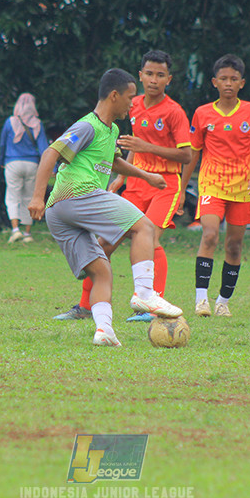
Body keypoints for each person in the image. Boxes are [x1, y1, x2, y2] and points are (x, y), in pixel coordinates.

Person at [28, 68, 183, 347]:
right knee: (144, 226)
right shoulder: (88, 126)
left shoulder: (110, 130)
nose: (133, 103)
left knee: (101, 270)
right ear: (114, 96)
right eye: (130, 97)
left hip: (59, 213)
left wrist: (147, 177)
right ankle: (145, 293)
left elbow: (114, 163)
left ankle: (103, 331)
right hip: (78, 194)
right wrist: (37, 196)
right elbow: (51, 152)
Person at [52, 50, 192, 322]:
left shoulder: (174, 111)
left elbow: (187, 155)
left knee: (149, 238)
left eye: (160, 75)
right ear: (140, 76)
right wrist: (121, 178)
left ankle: (152, 304)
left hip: (165, 183)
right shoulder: (132, 103)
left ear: (169, 79)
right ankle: (85, 306)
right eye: (149, 74)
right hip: (137, 181)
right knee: (105, 242)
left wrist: (146, 148)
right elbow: (126, 148)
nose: (153, 79)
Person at [181, 54, 250, 318]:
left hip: (243, 188)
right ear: (214, 82)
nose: (228, 83)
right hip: (212, 184)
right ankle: (201, 300)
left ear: (241, 83)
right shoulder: (203, 113)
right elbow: (193, 153)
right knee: (209, 235)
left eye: (233, 79)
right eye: (223, 79)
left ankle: (223, 301)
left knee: (234, 246)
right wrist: (181, 188)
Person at [0, 92, 49, 244]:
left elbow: (3, 144)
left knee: (13, 196)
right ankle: (27, 233)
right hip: (32, 165)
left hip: (12, 163)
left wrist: (2, 160)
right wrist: (49, 166)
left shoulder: (10, 122)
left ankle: (15, 230)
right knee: (29, 197)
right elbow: (44, 149)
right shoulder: (37, 123)